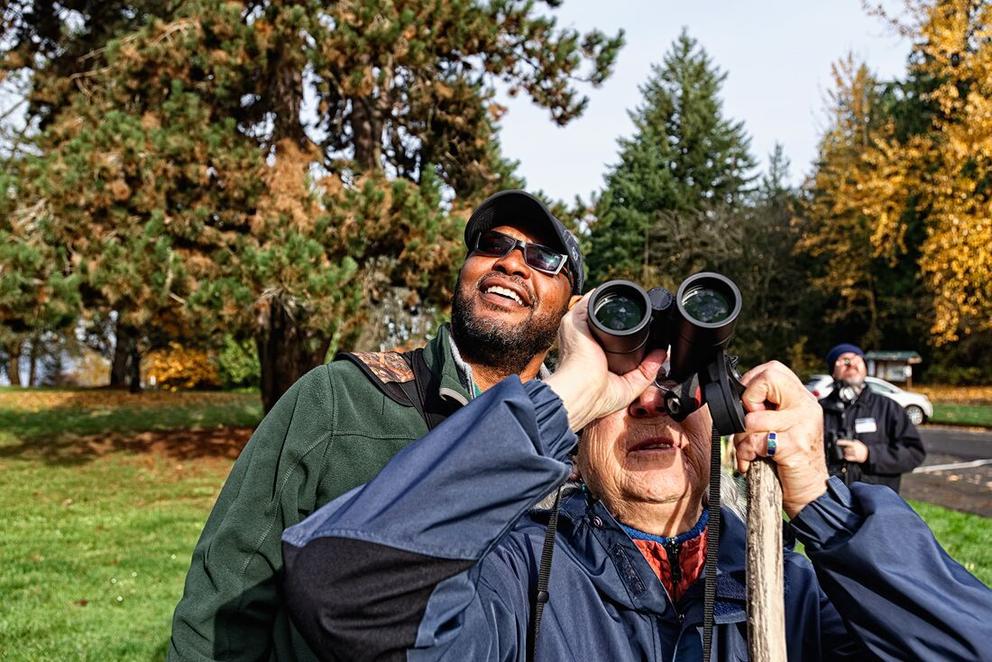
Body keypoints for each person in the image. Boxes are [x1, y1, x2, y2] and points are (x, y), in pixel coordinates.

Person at [281, 298, 992, 661]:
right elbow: (343, 591)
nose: (654, 404)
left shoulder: (793, 592)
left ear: (722, 414)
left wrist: (821, 507)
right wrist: (561, 395)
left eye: (683, 391)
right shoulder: (516, 581)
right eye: (624, 392)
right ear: (581, 433)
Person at [167, 190, 586, 661]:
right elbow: (227, 592)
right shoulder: (341, 398)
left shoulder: (590, 445)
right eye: (491, 244)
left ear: (573, 306)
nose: (510, 263)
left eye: (545, 259)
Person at [819, 343, 925, 493]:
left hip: (877, 505)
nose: (851, 365)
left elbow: (914, 453)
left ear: (865, 368)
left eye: (856, 360)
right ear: (833, 372)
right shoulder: (819, 410)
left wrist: (869, 454)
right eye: (844, 361)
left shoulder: (887, 407)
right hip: (831, 501)